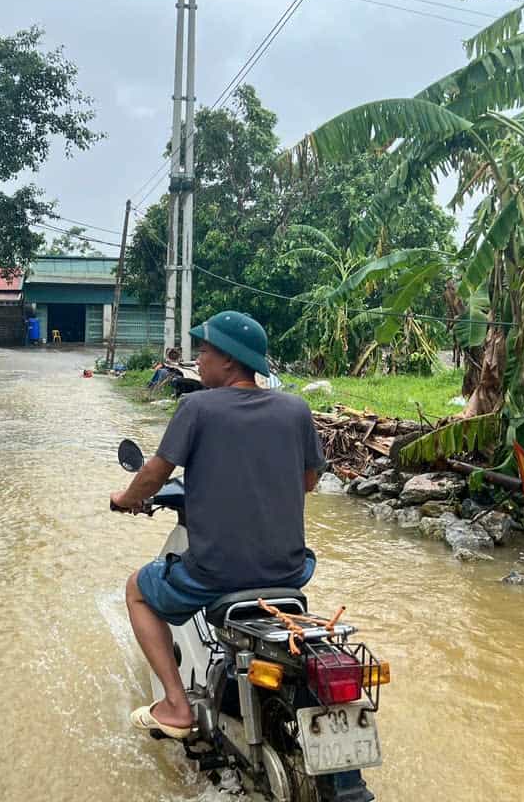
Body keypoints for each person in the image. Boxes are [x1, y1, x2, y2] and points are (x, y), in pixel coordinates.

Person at [110, 311, 325, 739]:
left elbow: (154, 473)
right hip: (289, 570)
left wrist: (125, 500)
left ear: (229, 360)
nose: (198, 360)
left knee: (137, 589)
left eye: (204, 351)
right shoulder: (296, 409)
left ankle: (176, 705)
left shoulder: (197, 407)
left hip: (216, 572)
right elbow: (309, 481)